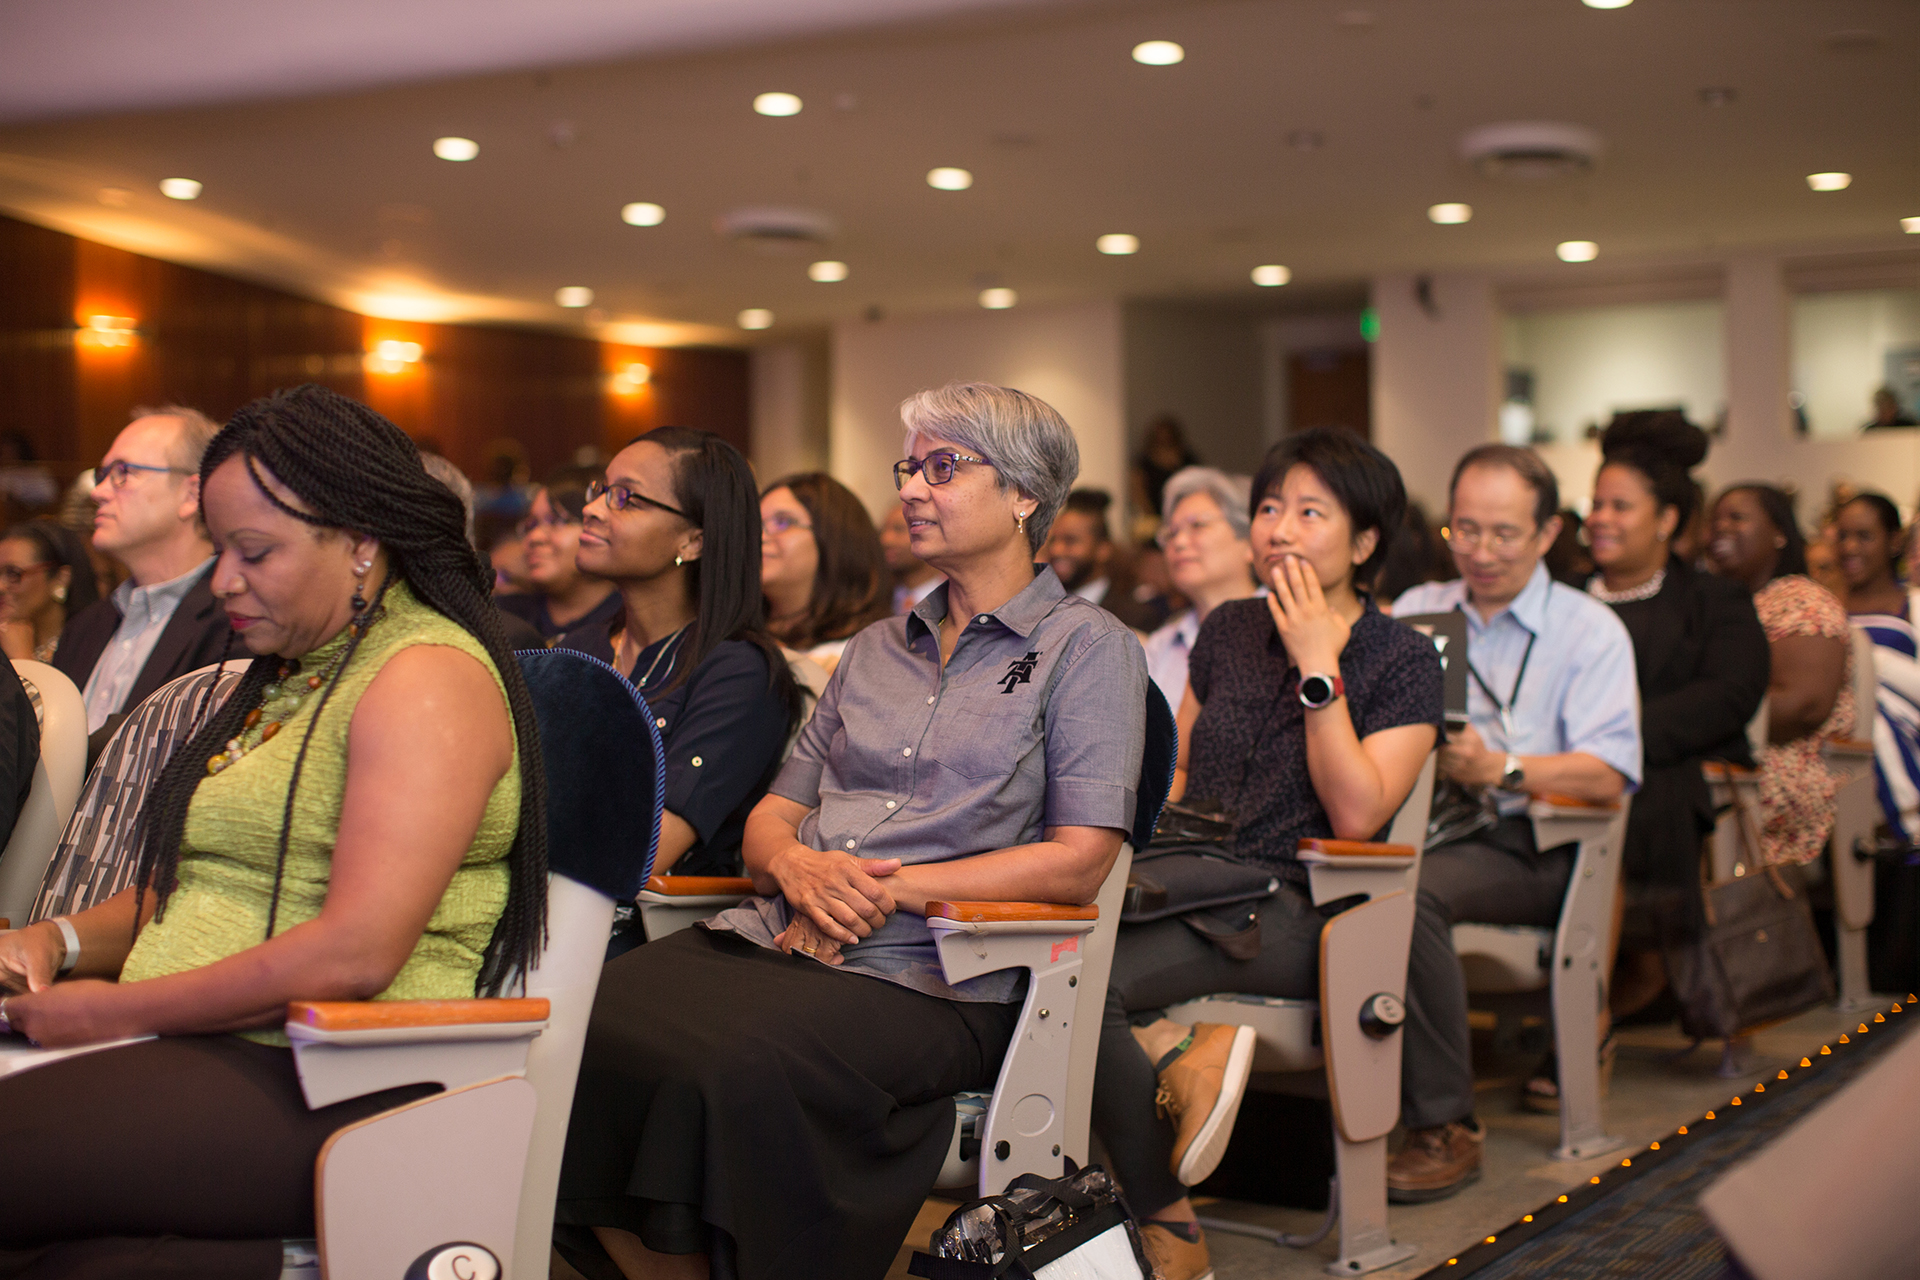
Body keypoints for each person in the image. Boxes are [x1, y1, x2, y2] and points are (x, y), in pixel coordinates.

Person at [555, 382, 1147, 1280]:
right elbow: (773, 818)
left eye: (942, 468)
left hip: (943, 973)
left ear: (1025, 494)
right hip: (783, 929)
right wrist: (799, 870)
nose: (909, 488)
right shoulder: (875, 649)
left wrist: (876, 890)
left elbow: (1079, 861)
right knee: (574, 1023)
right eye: (908, 468)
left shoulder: (1088, 647)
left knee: (723, 1068)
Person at [0, 384, 546, 1278]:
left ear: (362, 542)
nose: (222, 580)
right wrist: (54, 941)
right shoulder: (296, 671)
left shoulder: (425, 678)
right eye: (219, 549)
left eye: (253, 551)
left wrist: (111, 1009)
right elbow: (199, 889)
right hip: (208, 1051)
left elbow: (355, 953)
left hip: (332, 1076)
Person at [1096, 428, 1443, 1280]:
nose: (1280, 529)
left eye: (1311, 512)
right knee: (1050, 955)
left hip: (1300, 908)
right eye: (1269, 509)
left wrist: (1320, 666)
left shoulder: (1403, 657)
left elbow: (1358, 815)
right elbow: (1178, 772)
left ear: (1364, 543)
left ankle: (1169, 1226)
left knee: (1084, 987)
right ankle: (1178, 1049)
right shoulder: (1226, 629)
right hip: (1189, 881)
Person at [1390, 444, 1641, 1199]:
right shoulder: (1421, 610)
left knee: (1407, 894)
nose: (1481, 551)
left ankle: (1446, 1125)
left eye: (1504, 533)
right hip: (1429, 827)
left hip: (1537, 843)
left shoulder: (1588, 629)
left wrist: (1502, 768)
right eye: (1465, 530)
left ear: (1548, 533)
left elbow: (1609, 772)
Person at [1583, 414, 1769, 1030]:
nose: (1600, 518)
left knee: (1643, 790)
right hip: (1563, 766)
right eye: (1596, 504)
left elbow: (1730, 694)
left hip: (1666, 763)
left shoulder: (1712, 601)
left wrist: (1617, 739)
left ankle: (1635, 973)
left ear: (1665, 519)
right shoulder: (1562, 600)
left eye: (1620, 506)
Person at [559, 428, 801, 894]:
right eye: (601, 490)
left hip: (645, 918)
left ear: (693, 542)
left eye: (625, 498)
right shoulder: (581, 646)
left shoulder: (739, 673)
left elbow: (642, 852)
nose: (592, 509)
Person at [52, 405, 247, 759]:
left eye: (123, 473)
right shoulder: (84, 627)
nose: (98, 492)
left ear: (191, 495)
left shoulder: (236, 624)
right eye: (102, 475)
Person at [1705, 484, 1853, 866]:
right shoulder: (1717, 605)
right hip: (1729, 757)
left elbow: (1805, 705)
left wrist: (1698, 722)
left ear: (1779, 534)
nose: (1720, 528)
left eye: (1736, 517)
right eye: (1715, 520)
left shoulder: (1802, 600)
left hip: (1787, 765)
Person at [1834, 492, 1920, 842]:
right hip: (1840, 739)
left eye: (1864, 536)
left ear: (1894, 541)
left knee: (1878, 716)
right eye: (1843, 536)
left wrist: (1874, 667)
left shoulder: (1912, 604)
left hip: (1904, 726)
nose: (1850, 547)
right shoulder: (1825, 609)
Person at [1142, 466, 1256, 707]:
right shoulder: (1161, 646)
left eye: (1198, 526)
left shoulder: (1289, 628)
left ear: (1249, 540)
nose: (1179, 542)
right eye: (1171, 533)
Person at [760, 472, 893, 673]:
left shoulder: (868, 655)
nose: (760, 537)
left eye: (783, 522)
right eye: (755, 524)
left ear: (835, 539)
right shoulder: (736, 640)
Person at [497, 469, 622, 643]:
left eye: (557, 521)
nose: (534, 537)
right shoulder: (501, 616)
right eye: (531, 524)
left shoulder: (626, 627)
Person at [1046, 488, 1166, 632]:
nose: (1056, 550)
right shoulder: (1044, 609)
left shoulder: (1134, 617)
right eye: (1053, 540)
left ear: (1103, 549)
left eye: (1070, 541)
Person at [0, 519, 100, 662]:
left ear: (60, 578)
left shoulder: (90, 646)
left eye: (13, 574)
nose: (1, 587)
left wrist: (22, 659)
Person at [1129, 413, 1200, 539]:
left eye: (1168, 438)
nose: (1164, 440)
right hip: (1153, 520)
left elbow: (1197, 489)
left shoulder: (1187, 461)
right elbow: (1138, 492)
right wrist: (1152, 518)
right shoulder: (1144, 463)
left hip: (1184, 516)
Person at [879, 503, 941, 613]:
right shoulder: (879, 599)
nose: (885, 540)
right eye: (883, 530)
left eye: (899, 529)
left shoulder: (952, 600)